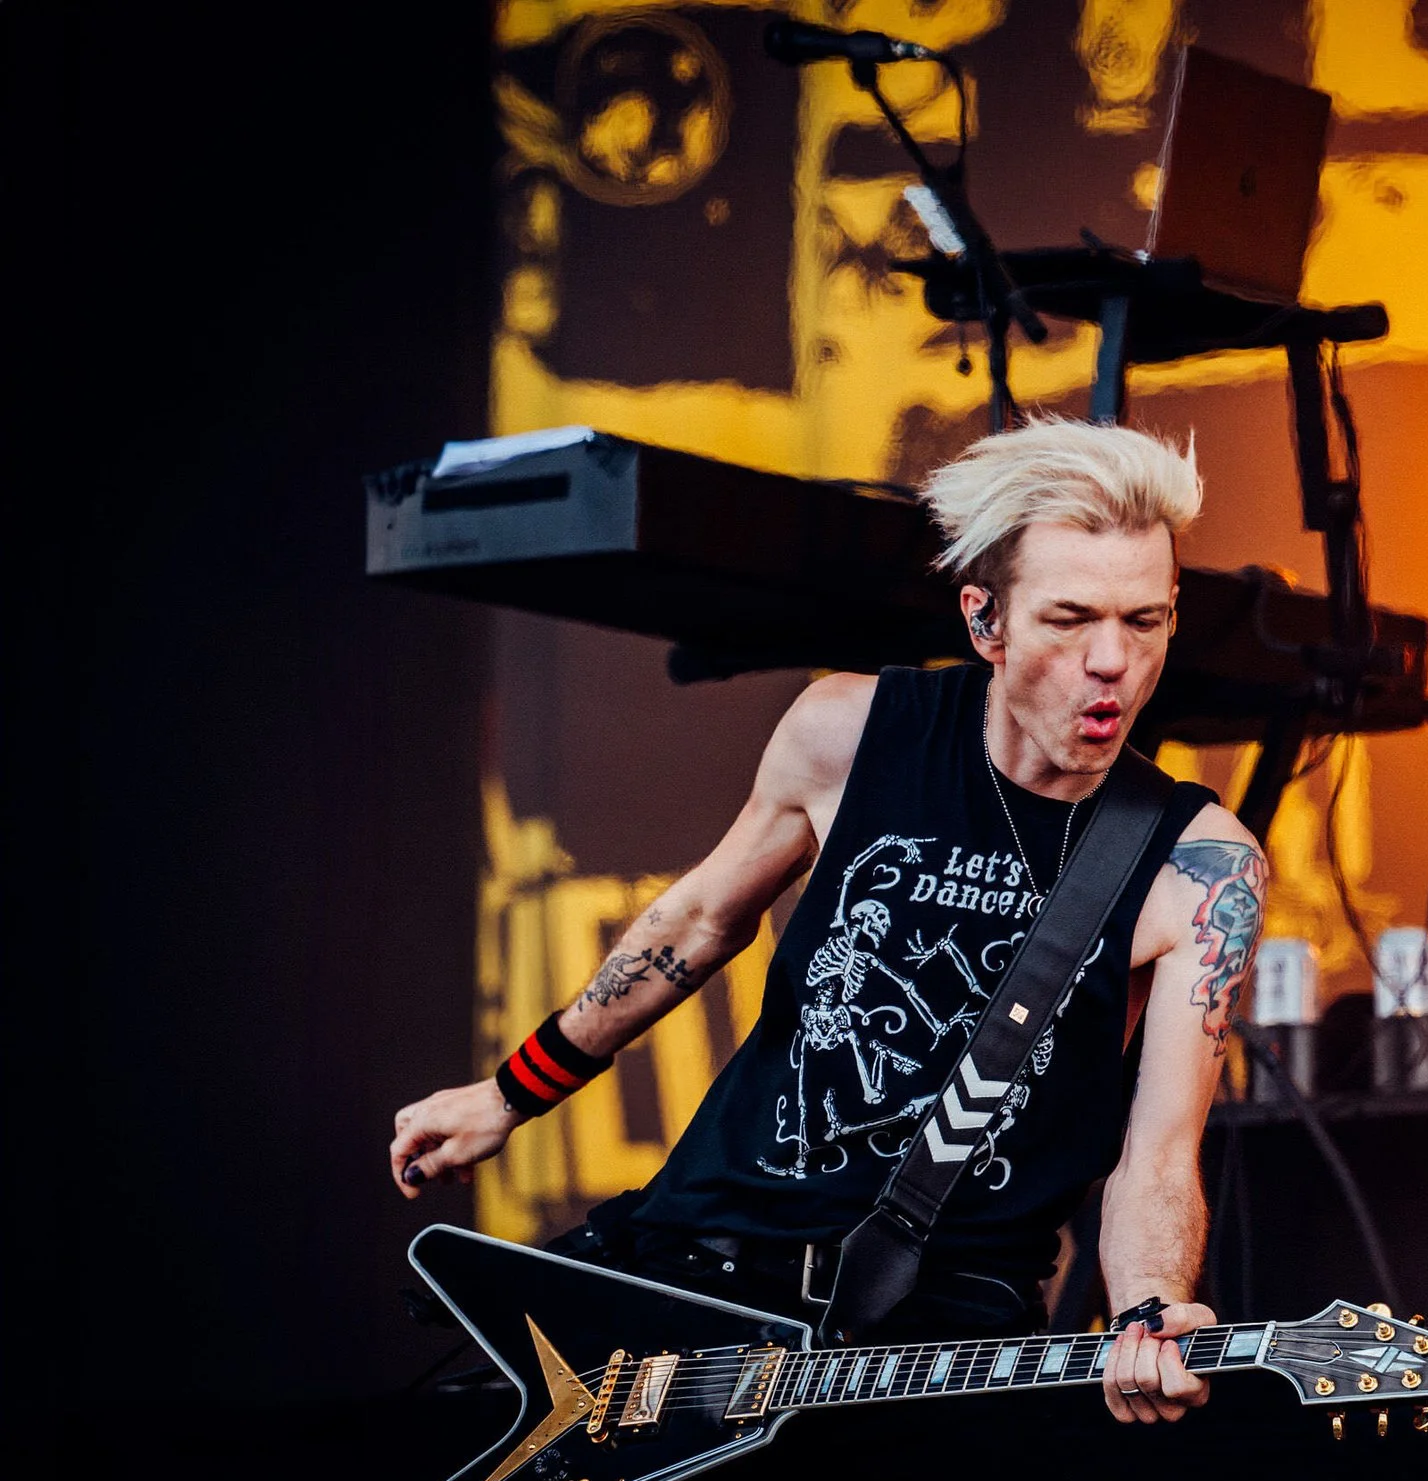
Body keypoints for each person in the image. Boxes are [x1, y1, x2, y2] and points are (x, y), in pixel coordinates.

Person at [386, 418, 1267, 1425]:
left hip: (926, 1339)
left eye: (1143, 621)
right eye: (1069, 619)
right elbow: (699, 920)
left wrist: (1149, 1313)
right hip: (689, 1268)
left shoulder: (1197, 868)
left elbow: (1156, 1151)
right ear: (986, 620)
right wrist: (511, 1093)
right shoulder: (849, 731)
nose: (1111, 660)